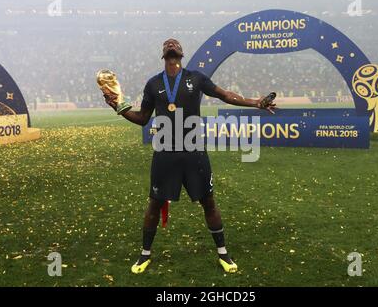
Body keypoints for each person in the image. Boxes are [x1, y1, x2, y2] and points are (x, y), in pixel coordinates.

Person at [101, 38, 277, 274]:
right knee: (154, 203)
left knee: (209, 202)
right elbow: (143, 118)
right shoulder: (153, 84)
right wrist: (117, 107)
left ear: (181, 53)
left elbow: (224, 95)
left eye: (175, 44)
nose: (171, 45)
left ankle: (223, 253)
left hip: (194, 151)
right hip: (165, 153)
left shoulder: (196, 78)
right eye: (167, 44)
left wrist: (255, 102)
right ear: (163, 54)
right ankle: (144, 254)